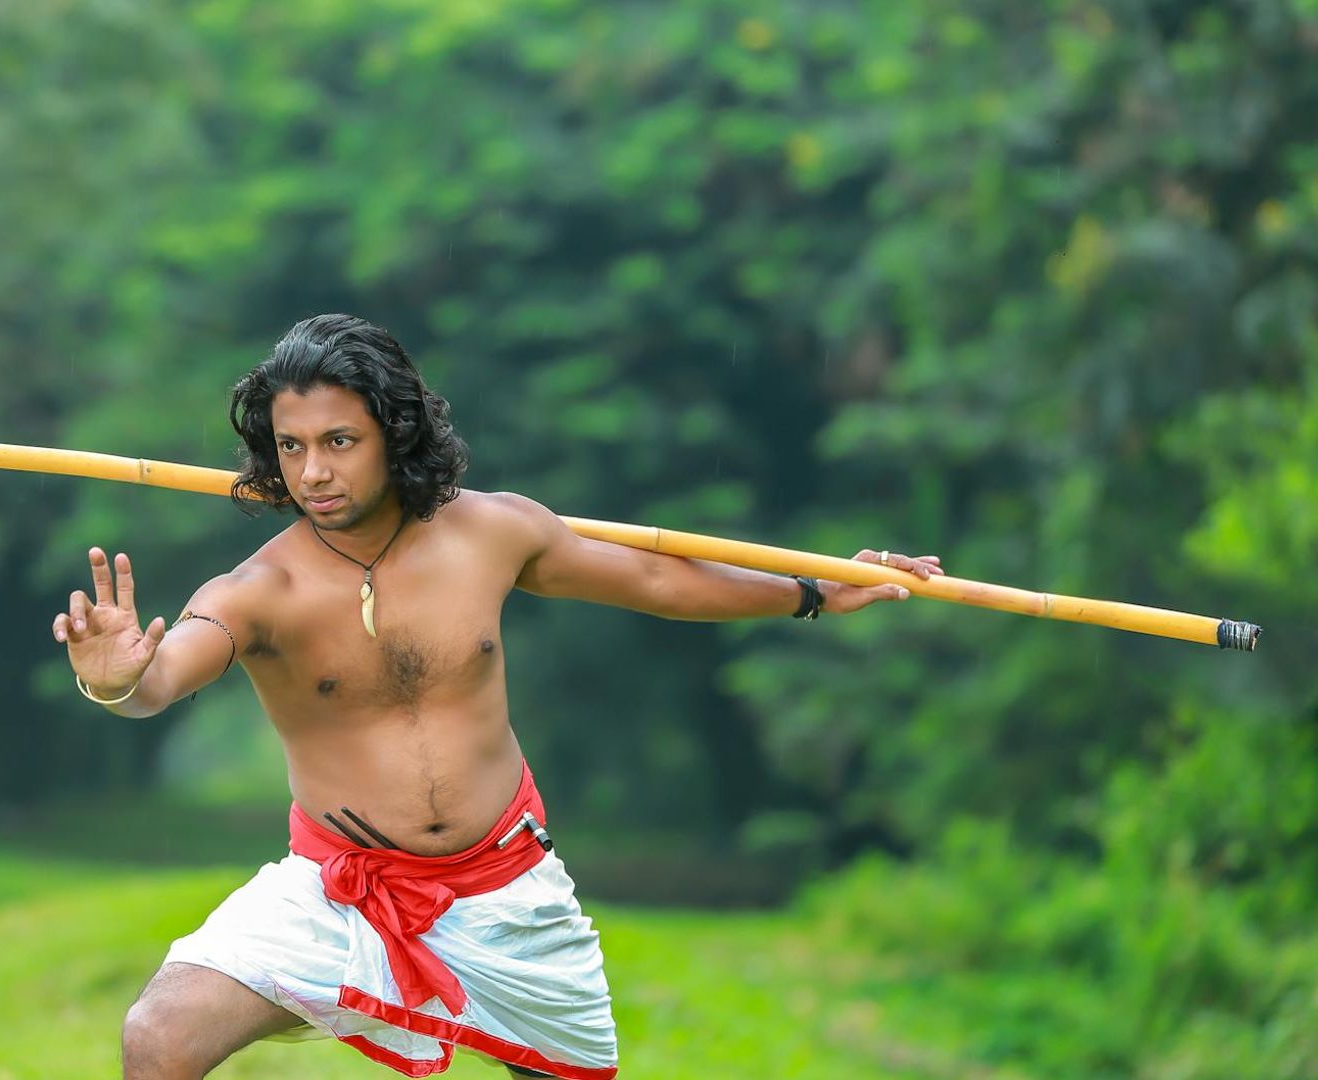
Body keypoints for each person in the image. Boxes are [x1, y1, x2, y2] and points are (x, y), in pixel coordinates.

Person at [51, 314, 940, 1079]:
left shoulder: (494, 530)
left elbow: (656, 579)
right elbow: (163, 678)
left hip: (505, 889)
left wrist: (813, 590)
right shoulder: (255, 590)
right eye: (291, 447)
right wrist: (118, 679)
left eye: (338, 442)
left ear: (393, 433)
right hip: (341, 891)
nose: (313, 472)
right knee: (157, 1037)